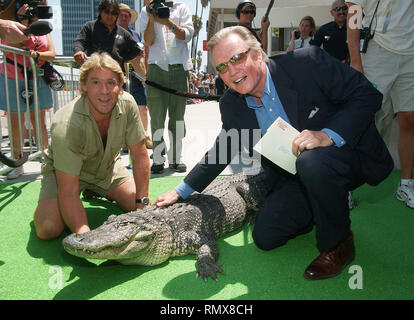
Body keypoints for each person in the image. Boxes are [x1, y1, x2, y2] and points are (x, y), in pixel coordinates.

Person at [154, 26, 393, 280]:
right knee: (266, 236)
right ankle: (323, 204)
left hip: (345, 155)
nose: (231, 70)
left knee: (311, 161)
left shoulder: (307, 63)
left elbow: (367, 95)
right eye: (222, 67)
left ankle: (337, 243)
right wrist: (181, 190)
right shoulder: (232, 104)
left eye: (237, 58)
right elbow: (224, 148)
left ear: (257, 54)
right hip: (294, 176)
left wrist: (327, 135)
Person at [33, 52, 150, 240]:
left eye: (111, 82)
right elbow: (69, 191)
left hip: (107, 168)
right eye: (96, 82)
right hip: (64, 175)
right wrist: (86, 238)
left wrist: (142, 205)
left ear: (120, 86)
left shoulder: (127, 103)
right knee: (48, 229)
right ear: (83, 86)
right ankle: (49, 204)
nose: (104, 91)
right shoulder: (66, 124)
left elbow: (139, 154)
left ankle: (99, 190)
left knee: (137, 206)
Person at [347, 1, 414, 209]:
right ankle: (345, 184)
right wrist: (355, 60)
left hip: (410, 55)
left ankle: (406, 183)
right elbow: (354, 11)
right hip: (377, 51)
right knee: (363, 119)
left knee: (410, 119)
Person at [0, 3, 55, 180]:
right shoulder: (9, 25)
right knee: (15, 121)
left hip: (36, 77)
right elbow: (12, 41)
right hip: (12, 76)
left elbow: (51, 53)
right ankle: (17, 161)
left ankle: (46, 158)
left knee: (39, 120)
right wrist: (21, 20)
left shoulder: (43, 29)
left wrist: (36, 55)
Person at [139, 0, 194, 174]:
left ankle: (176, 158)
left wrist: (167, 22)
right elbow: (147, 41)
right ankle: (158, 158)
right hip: (156, 69)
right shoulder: (146, 11)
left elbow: (187, 35)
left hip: (179, 69)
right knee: (156, 119)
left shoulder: (181, 8)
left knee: (178, 118)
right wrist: (150, 17)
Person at [73, 0, 145, 84]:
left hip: (115, 77)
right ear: (101, 11)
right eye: (107, 12)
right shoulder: (90, 27)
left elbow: (136, 50)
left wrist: (122, 59)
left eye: (114, 13)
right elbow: (80, 41)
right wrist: (78, 51)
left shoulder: (123, 33)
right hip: (94, 75)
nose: (110, 16)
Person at [117, 3, 152, 150]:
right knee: (121, 110)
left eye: (127, 15)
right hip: (118, 76)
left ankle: (144, 136)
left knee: (142, 108)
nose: (124, 17)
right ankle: (123, 140)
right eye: (121, 15)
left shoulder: (136, 34)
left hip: (136, 76)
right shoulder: (111, 33)